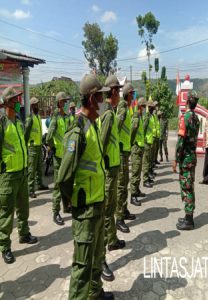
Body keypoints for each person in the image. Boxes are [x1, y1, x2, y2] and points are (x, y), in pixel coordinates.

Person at [57, 74, 114, 300]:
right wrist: (71, 202)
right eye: (101, 96)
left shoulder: (93, 125)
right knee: (82, 266)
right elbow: (63, 177)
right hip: (85, 210)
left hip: (98, 204)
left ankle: (95, 293)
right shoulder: (77, 130)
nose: (104, 100)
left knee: (97, 257)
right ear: (92, 98)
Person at [0, 87, 38, 264]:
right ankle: (5, 246)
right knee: (6, 214)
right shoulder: (2, 122)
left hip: (22, 173)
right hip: (7, 176)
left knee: (23, 208)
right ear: (7, 102)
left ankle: (24, 234)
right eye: (15, 100)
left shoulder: (18, 121)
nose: (18, 103)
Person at [99, 75, 126, 282]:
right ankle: (104, 252)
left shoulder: (111, 112)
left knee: (112, 205)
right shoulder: (108, 114)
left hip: (113, 167)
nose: (120, 94)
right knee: (107, 209)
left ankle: (113, 239)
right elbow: (102, 143)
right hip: (109, 170)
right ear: (114, 92)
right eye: (119, 91)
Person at [173, 90, 200, 230]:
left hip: (185, 159)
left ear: (187, 101)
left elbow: (180, 141)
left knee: (187, 187)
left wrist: (176, 159)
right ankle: (187, 215)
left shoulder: (185, 118)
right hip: (192, 157)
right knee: (189, 185)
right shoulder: (196, 118)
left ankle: (189, 220)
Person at [46, 91, 71, 225]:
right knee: (57, 185)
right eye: (63, 102)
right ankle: (55, 212)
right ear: (58, 103)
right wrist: (53, 148)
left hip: (67, 156)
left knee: (67, 182)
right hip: (58, 157)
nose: (66, 103)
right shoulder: (55, 117)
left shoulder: (67, 117)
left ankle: (66, 206)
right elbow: (49, 137)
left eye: (66, 101)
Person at [116, 82, 135, 234]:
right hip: (121, 152)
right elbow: (116, 128)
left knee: (125, 182)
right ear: (128, 94)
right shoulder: (122, 107)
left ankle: (124, 210)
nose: (134, 96)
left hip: (125, 151)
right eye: (133, 94)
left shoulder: (126, 108)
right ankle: (119, 218)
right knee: (121, 186)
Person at [25, 97, 49, 199]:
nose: (37, 106)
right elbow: (26, 134)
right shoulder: (30, 118)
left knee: (39, 167)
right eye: (35, 105)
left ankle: (40, 184)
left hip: (38, 146)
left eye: (37, 104)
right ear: (31, 106)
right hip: (32, 147)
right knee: (32, 169)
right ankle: (30, 189)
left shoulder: (37, 117)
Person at [130, 97, 147, 206]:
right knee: (135, 172)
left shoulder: (140, 117)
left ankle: (137, 190)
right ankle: (133, 196)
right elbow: (132, 133)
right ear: (140, 106)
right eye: (144, 106)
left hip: (140, 148)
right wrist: (132, 144)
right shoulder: (136, 118)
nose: (145, 108)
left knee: (139, 170)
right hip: (136, 148)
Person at [142, 99, 155, 188]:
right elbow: (143, 129)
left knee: (149, 160)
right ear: (149, 107)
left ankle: (147, 178)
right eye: (152, 106)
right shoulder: (147, 117)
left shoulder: (151, 116)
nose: (154, 108)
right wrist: (144, 140)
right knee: (146, 162)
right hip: (146, 142)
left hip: (150, 142)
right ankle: (145, 179)